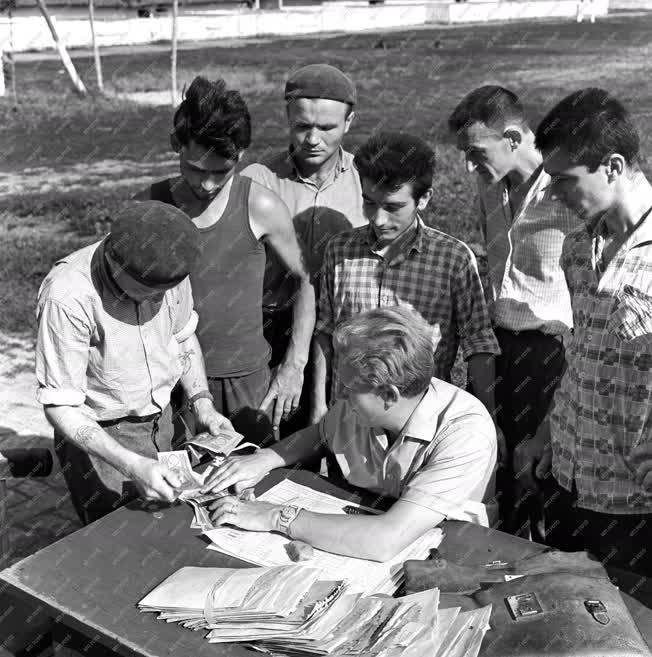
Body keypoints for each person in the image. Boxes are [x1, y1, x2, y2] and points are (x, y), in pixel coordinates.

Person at [201, 306, 497, 561]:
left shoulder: (465, 434)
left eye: (349, 388)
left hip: (448, 554)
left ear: (389, 395)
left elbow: (385, 540)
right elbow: (321, 434)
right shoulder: (362, 407)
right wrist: (265, 458)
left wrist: (274, 516)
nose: (340, 394)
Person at [136, 76, 315, 441]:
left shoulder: (260, 205)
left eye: (221, 172)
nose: (207, 185)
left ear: (241, 156)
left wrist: (295, 365)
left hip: (245, 382)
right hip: (166, 380)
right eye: (196, 169)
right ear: (176, 145)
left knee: (248, 484)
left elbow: (307, 278)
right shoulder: (148, 208)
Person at [519, 88, 652, 574]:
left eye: (563, 180)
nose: (552, 194)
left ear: (613, 167)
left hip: (635, 503)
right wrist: (545, 435)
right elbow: (583, 359)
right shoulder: (577, 249)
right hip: (569, 481)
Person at [35, 201, 234, 525]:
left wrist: (202, 403)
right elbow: (60, 407)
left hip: (161, 419)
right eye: (147, 294)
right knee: (115, 536)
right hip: (103, 435)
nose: (159, 300)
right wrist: (132, 465)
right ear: (115, 263)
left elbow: (183, 338)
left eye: (164, 292)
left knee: (165, 525)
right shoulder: (68, 296)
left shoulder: (170, 267)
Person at [448, 86, 578, 538]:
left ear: (514, 139)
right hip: (498, 348)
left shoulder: (567, 193)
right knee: (496, 461)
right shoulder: (490, 188)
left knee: (544, 471)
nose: (469, 165)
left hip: (552, 353)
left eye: (477, 152)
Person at [313, 131, 500, 431]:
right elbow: (325, 330)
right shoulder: (340, 250)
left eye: (393, 207)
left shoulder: (454, 260)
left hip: (421, 425)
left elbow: (478, 342)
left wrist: (487, 420)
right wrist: (319, 406)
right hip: (348, 421)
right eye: (369, 203)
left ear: (424, 199)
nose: (378, 219)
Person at [241, 63, 366, 432]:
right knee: (264, 430)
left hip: (341, 333)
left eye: (327, 128)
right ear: (287, 118)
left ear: (349, 122)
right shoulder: (257, 181)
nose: (313, 139)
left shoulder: (367, 184)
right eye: (302, 126)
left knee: (334, 437)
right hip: (267, 331)